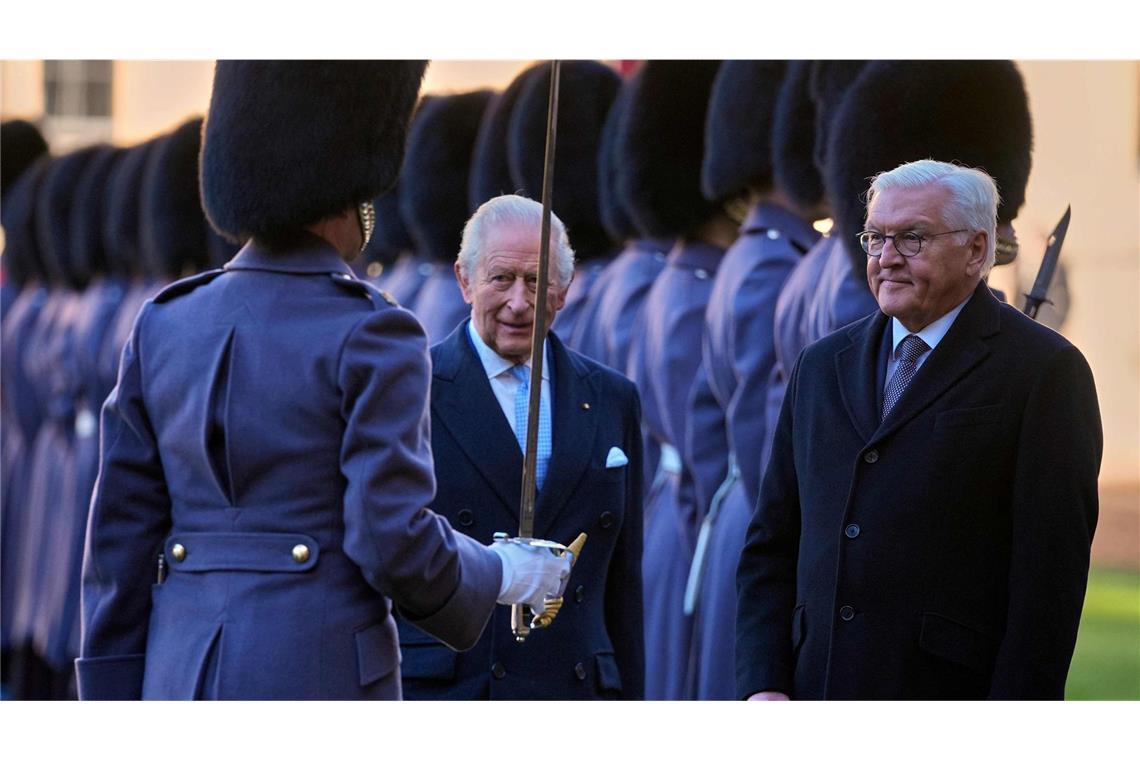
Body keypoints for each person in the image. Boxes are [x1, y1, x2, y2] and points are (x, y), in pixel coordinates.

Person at [75, 60, 570, 700]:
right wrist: (501, 571)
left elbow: (117, 544)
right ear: (351, 196)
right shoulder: (374, 331)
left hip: (179, 673)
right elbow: (391, 539)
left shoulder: (165, 322)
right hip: (318, 670)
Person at [735, 159, 1101, 700]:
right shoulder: (820, 365)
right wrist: (763, 687)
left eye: (912, 239)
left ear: (976, 250)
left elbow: (1046, 591)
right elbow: (772, 543)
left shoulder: (1044, 372)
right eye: (875, 238)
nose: (886, 258)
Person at [398, 194, 644, 699]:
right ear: (465, 282)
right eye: (501, 278)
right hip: (457, 693)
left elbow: (623, 584)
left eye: (536, 281)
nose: (518, 301)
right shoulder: (410, 392)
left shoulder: (612, 398)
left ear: (564, 291)